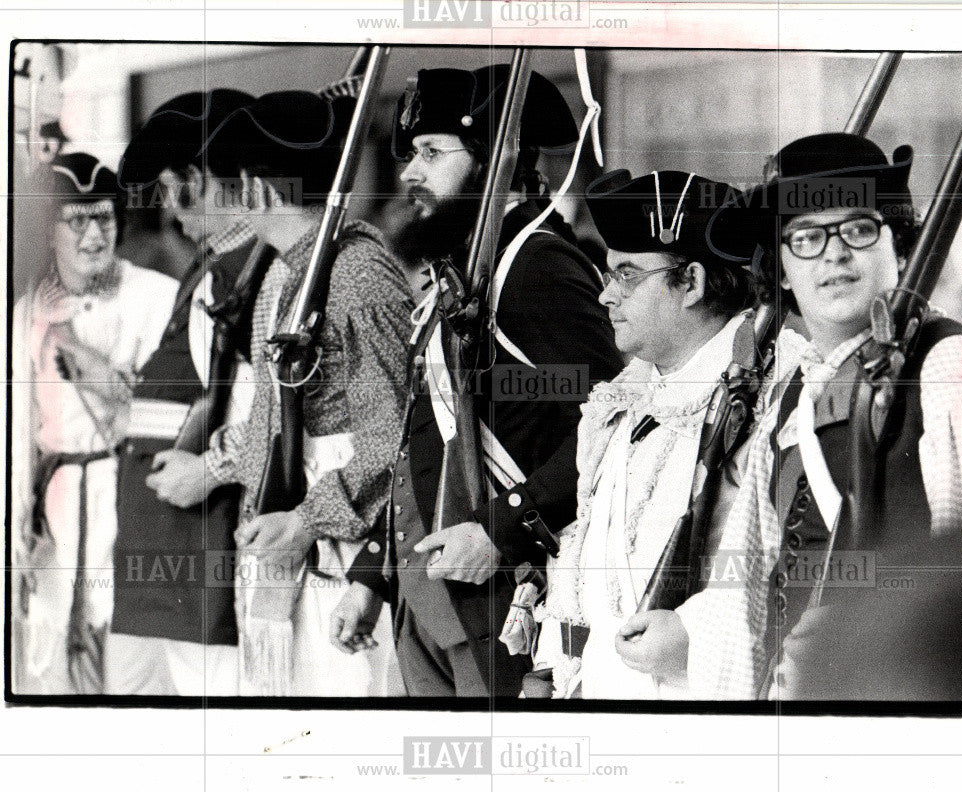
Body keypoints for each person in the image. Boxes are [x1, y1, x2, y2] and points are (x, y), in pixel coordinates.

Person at [623, 133, 962, 700]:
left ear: (900, 247)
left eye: (859, 230)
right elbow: (753, 578)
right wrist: (691, 634)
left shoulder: (950, 363)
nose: (835, 254)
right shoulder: (795, 392)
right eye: (807, 238)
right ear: (784, 271)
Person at [332, 65, 623, 697]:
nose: (411, 172)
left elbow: (612, 422)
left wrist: (501, 530)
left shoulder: (538, 266)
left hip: (504, 601)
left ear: (498, 161)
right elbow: (424, 435)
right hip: (428, 596)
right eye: (411, 154)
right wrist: (373, 574)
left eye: (433, 153)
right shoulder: (467, 269)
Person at [154, 90, 413, 696]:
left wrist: (304, 520)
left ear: (257, 188)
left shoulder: (355, 272)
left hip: (348, 562)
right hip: (293, 548)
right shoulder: (282, 270)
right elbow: (276, 417)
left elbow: (391, 435)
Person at [534, 169, 763, 698]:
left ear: (693, 283)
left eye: (628, 276)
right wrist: (555, 669)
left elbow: (783, 562)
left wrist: (695, 633)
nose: (606, 297)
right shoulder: (622, 398)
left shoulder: (770, 394)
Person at [106, 89, 269, 696]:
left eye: (175, 190)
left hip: (208, 549)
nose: (172, 212)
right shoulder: (213, 266)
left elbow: (273, 413)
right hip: (168, 549)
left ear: (200, 179)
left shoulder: (255, 268)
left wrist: (209, 469)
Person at [12, 152, 178, 694]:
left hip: (130, 499)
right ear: (48, 230)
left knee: (134, 669)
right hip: (54, 510)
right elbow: (15, 437)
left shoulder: (157, 298)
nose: (93, 235)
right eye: (75, 219)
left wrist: (91, 366)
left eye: (103, 217)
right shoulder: (24, 313)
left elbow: (176, 416)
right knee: (50, 659)